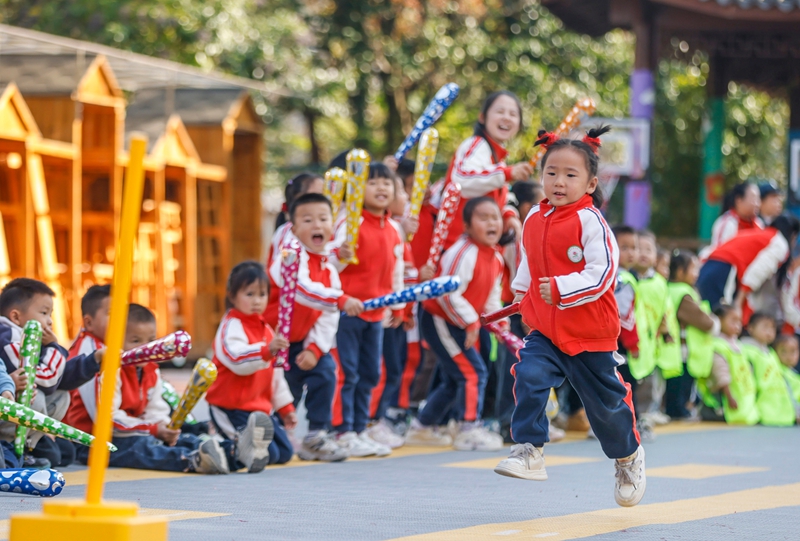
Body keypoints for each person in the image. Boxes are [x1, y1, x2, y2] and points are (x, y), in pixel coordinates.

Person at [494, 126, 645, 508]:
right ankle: (529, 449)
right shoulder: (532, 218)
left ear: (591, 183)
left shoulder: (591, 222)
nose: (559, 181)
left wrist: (562, 289)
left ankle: (628, 457)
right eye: (551, 172)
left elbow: (604, 272)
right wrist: (521, 291)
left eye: (570, 174)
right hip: (546, 328)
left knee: (607, 408)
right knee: (528, 373)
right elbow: (528, 261)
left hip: (590, 333)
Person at [69, 304, 235, 474]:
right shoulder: (111, 370)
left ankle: (232, 452)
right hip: (95, 442)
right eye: (135, 341)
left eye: (150, 341)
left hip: (134, 430)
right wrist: (153, 429)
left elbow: (155, 408)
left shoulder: (151, 369)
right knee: (142, 447)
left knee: (180, 439)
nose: (144, 347)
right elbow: (110, 421)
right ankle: (193, 460)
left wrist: (164, 427)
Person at [405, 197, 506, 451]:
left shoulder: (496, 257)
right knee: (473, 372)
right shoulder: (463, 253)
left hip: (459, 320)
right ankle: (468, 428)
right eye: (483, 218)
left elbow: (492, 296)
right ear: (467, 227)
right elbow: (448, 294)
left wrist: (499, 323)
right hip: (440, 318)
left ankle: (423, 427)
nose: (492, 222)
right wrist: (472, 323)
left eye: (495, 217)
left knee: (456, 377)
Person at [265, 193, 354, 462]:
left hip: (302, 340)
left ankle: (316, 435)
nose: (317, 225)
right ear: (292, 227)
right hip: (272, 341)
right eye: (307, 219)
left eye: (323, 219)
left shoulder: (330, 269)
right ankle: (269, 433)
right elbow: (301, 291)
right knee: (281, 392)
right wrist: (341, 299)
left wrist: (314, 348)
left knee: (325, 370)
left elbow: (327, 316)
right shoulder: (289, 257)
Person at [330, 163, 405, 457]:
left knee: (370, 373)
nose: (381, 188)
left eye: (387, 183)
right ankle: (341, 430)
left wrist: (398, 305)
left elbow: (396, 270)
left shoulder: (394, 228)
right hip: (347, 311)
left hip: (376, 314)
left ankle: (360, 429)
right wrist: (340, 255)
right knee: (346, 373)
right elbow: (329, 265)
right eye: (372, 182)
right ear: (358, 188)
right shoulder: (348, 221)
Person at [418, 91, 533, 278]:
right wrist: (508, 173)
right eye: (500, 111)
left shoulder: (497, 159)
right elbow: (461, 179)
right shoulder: (475, 145)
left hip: (477, 251)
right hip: (454, 249)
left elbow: (501, 196)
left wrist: (509, 215)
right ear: (482, 117)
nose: (506, 118)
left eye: (513, 114)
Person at [0, 278, 102, 469]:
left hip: (18, 419)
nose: (49, 321)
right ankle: (15, 449)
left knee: (63, 451)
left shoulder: (26, 336)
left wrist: (92, 361)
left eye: (50, 314)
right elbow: (45, 379)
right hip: (8, 415)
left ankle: (27, 447)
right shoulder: (8, 334)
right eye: (44, 312)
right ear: (16, 317)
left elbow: (60, 381)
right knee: (35, 396)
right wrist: (55, 347)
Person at [207, 261, 298, 471]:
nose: (257, 301)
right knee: (268, 453)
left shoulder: (266, 329)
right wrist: (266, 351)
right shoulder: (230, 326)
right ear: (232, 296)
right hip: (230, 407)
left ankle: (251, 445)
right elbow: (237, 360)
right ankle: (222, 444)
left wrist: (286, 408)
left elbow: (276, 374)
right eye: (249, 294)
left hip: (258, 410)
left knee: (283, 453)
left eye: (262, 294)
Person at [367, 176, 417, 449]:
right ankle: (370, 421)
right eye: (403, 193)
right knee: (378, 370)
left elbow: (402, 275)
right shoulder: (383, 228)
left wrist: (403, 308)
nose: (406, 198)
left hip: (396, 313)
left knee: (393, 369)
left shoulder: (396, 230)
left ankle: (379, 418)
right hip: (378, 312)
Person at [696, 215, 799, 321]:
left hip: (709, 267)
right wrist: (738, 304)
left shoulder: (762, 234)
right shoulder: (780, 243)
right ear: (792, 235)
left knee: (705, 315)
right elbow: (757, 272)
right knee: (718, 320)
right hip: (723, 271)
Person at [664, 250, 718, 421]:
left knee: (673, 381)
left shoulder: (669, 289)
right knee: (682, 382)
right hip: (684, 348)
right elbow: (704, 322)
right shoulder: (683, 293)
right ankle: (679, 410)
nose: (697, 274)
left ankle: (676, 408)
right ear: (680, 271)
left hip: (670, 346)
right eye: (693, 269)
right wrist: (715, 323)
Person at [697, 305, 758, 425]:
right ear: (718, 320)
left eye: (739, 321)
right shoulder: (717, 344)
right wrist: (729, 397)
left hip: (740, 393)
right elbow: (721, 374)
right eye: (733, 321)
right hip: (724, 395)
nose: (737, 325)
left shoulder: (738, 344)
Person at [740, 313, 795, 426]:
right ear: (751, 328)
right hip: (759, 414)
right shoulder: (745, 351)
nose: (770, 331)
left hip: (778, 414)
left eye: (772, 328)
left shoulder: (771, 354)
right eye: (765, 327)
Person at [268, 172, 325, 269]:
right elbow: (290, 274)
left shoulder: (324, 227)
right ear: (298, 200)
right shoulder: (288, 234)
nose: (324, 201)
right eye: (317, 197)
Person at [703, 182, 763, 256]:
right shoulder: (727, 223)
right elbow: (720, 255)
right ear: (739, 200)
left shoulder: (759, 223)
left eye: (758, 198)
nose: (758, 203)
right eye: (754, 198)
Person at [774, 334, 800, 422]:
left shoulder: (794, 373)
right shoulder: (779, 372)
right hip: (786, 418)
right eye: (783, 352)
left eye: (793, 351)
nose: (789, 356)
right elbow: (790, 395)